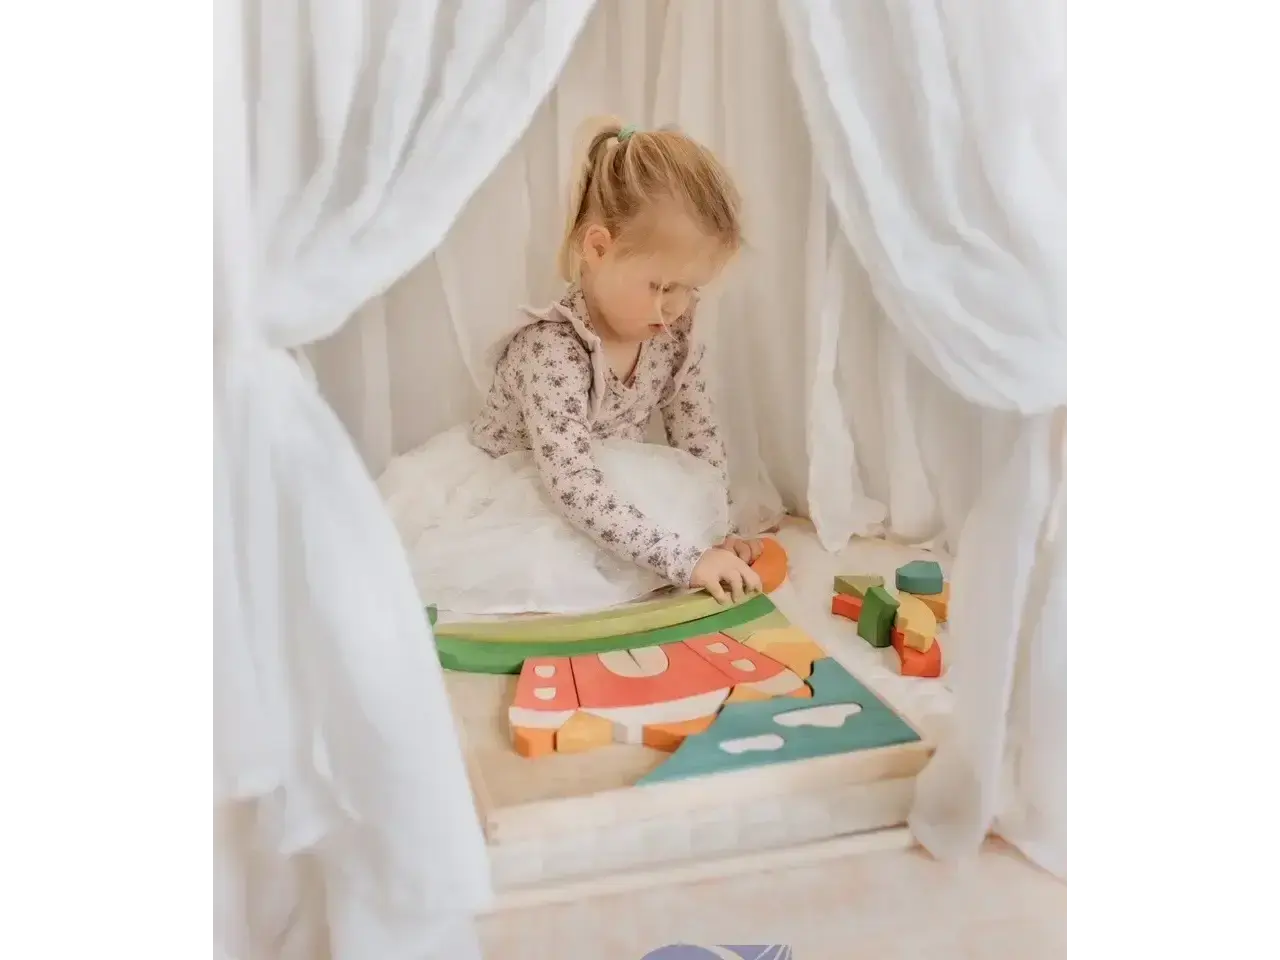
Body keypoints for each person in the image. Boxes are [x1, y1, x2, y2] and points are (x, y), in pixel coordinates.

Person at [381, 118, 764, 616]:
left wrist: (719, 532)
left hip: (602, 488)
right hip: (534, 490)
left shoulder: (671, 337)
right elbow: (572, 485)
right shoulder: (554, 350)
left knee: (667, 522)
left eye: (692, 289)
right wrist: (685, 559)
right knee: (539, 565)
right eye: (662, 287)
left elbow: (699, 440)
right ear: (597, 249)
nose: (676, 307)